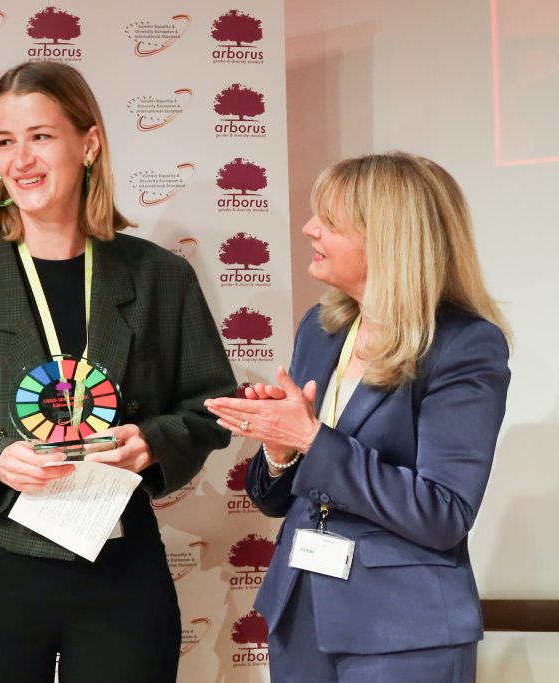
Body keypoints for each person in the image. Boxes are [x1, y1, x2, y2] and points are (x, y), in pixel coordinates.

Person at [0, 61, 236, 683]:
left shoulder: (161, 279)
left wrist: (152, 443)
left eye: (40, 136)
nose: (20, 160)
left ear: (89, 143)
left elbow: (210, 408)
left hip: (120, 561)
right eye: (4, 141)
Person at [206, 152, 511, 682]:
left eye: (329, 220)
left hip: (402, 632)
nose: (309, 228)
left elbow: (443, 512)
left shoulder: (463, 345)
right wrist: (279, 452)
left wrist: (312, 439)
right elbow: (279, 498)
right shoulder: (321, 328)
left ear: (388, 239)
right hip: (300, 614)